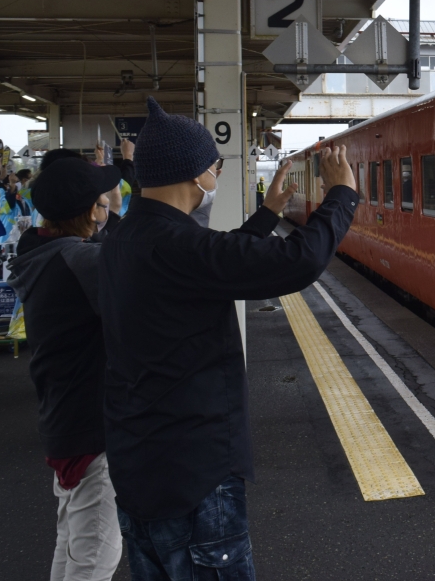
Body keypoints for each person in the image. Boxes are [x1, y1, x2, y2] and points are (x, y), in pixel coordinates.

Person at [99, 98, 357, 580]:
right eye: (215, 166)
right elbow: (295, 262)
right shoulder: (176, 245)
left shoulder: (125, 239)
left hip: (141, 466)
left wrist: (267, 214)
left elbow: (218, 266)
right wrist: (342, 195)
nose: (216, 175)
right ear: (192, 174)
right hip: (193, 474)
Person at [9, 157, 124, 581]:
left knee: (73, 544)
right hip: (91, 426)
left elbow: (94, 248)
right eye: (100, 202)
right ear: (90, 212)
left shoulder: (40, 250)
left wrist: (101, 220)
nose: (106, 207)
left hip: (65, 418)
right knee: (95, 556)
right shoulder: (80, 263)